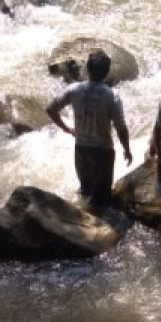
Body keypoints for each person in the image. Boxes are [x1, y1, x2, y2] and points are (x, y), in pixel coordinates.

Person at [46, 50, 132, 211]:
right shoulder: (112, 96)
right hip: (102, 152)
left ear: (88, 69)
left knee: (85, 192)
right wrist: (127, 149)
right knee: (102, 200)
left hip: (81, 150)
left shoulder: (74, 89)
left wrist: (66, 129)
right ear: (107, 72)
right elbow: (121, 128)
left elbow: (51, 109)